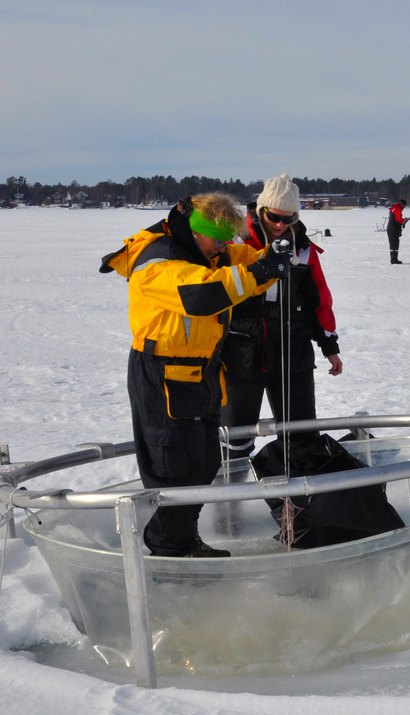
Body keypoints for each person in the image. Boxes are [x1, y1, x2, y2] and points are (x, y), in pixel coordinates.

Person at [100, 194, 292, 557]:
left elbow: (247, 264)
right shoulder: (157, 259)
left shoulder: (207, 252)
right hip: (162, 373)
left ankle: (184, 539)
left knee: (204, 461)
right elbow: (203, 294)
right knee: (174, 466)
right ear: (196, 232)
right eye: (217, 239)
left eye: (226, 241)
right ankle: (170, 547)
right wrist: (263, 272)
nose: (223, 247)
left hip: (200, 372)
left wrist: (275, 254)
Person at [220, 175, 342, 461]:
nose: (280, 225)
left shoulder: (304, 249)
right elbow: (211, 294)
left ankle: (299, 502)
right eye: (274, 216)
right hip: (241, 353)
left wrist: (330, 347)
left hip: (292, 349)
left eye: (288, 219)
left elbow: (319, 300)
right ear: (261, 210)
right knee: (234, 437)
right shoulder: (234, 244)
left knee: (301, 434)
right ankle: (230, 502)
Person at [386, 199, 410, 264]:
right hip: (394, 228)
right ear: (402, 204)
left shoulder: (394, 208)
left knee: (393, 243)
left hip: (392, 228)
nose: (404, 207)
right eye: (404, 206)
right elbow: (399, 219)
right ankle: (394, 259)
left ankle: (394, 259)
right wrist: (405, 220)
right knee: (394, 243)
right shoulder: (397, 209)